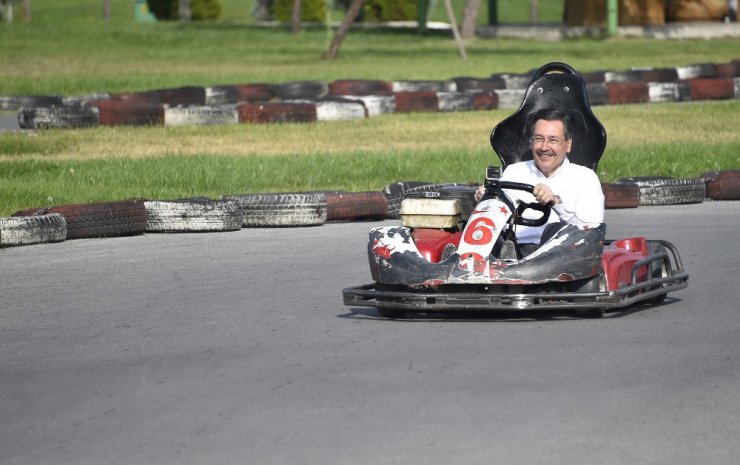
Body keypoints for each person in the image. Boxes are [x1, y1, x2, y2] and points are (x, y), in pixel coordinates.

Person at [475, 109, 604, 252]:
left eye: (553, 140)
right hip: (512, 249)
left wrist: (556, 203)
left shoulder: (586, 178)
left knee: (554, 231)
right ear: (531, 142)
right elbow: (495, 220)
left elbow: (591, 234)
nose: (544, 147)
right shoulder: (514, 172)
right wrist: (487, 200)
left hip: (558, 254)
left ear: (568, 144)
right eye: (539, 139)